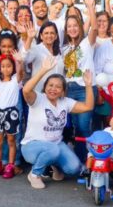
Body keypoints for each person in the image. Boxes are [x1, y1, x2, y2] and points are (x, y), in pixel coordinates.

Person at [21, 56, 94, 189]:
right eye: (50, 85)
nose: (53, 89)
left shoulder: (65, 102)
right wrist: (43, 70)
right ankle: (35, 174)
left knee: (74, 168)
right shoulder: (38, 99)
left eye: (58, 87)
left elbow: (88, 106)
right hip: (32, 147)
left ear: (63, 91)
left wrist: (88, 85)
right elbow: (26, 90)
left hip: (56, 145)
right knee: (53, 149)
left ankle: (54, 164)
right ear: (45, 87)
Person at [62, 0, 98, 157]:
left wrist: (91, 6)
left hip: (85, 89)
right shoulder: (63, 48)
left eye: (75, 25)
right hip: (69, 90)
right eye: (69, 26)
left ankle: (89, 162)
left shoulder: (86, 43)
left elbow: (95, 29)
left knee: (84, 127)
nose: (73, 28)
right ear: (66, 29)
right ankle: (80, 160)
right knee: (76, 128)